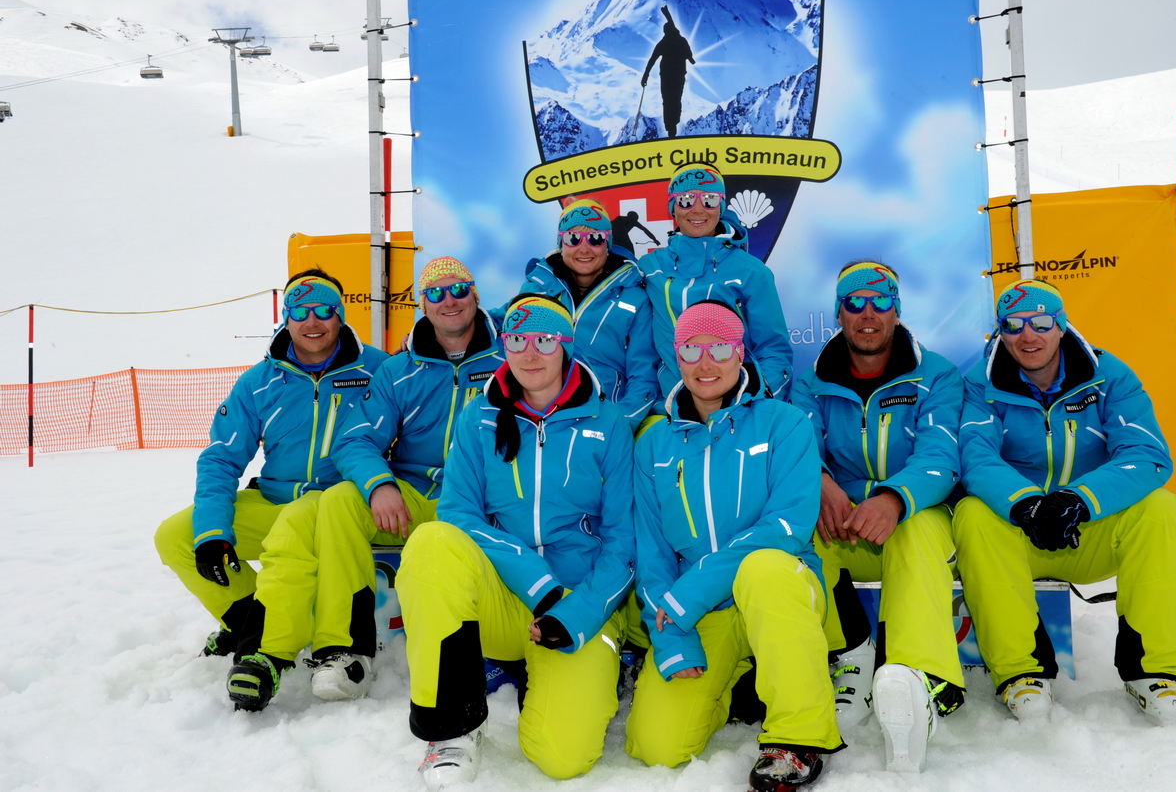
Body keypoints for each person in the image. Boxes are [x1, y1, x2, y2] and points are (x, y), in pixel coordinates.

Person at [221, 256, 503, 710]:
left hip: (484, 496)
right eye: (435, 292)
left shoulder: (512, 360)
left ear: (476, 295)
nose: (448, 300)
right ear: (422, 304)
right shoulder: (399, 369)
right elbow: (355, 439)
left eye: (458, 289)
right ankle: (344, 652)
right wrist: (379, 484)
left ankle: (505, 644)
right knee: (341, 501)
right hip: (416, 494)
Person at [396, 295, 636, 787]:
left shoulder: (608, 423)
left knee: (562, 758)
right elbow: (457, 513)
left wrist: (574, 611)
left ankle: (566, 673)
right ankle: (452, 730)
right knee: (432, 542)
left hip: (579, 608)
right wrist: (536, 582)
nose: (529, 353)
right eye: (517, 339)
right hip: (508, 600)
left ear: (565, 344)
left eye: (544, 340)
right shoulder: (478, 417)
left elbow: (623, 542)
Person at [954, 279, 1176, 726]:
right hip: (1020, 533)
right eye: (1013, 325)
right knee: (972, 514)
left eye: (1041, 322)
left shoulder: (1109, 375)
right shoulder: (978, 383)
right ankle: (1020, 672)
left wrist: (1079, 500)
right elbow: (975, 456)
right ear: (1000, 331)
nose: (1028, 336)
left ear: (1062, 324)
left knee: (1162, 510)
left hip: (1091, 531)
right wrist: (1026, 504)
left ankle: (1156, 671)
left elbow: (1147, 453)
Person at [626, 300, 842, 792]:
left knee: (763, 567)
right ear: (676, 357)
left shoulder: (784, 423)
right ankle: (743, 682)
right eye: (691, 349)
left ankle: (797, 737)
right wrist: (673, 638)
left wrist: (691, 592)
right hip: (704, 611)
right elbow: (651, 552)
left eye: (720, 348)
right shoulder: (654, 444)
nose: (706, 363)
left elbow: (786, 526)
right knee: (657, 747)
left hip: (778, 589)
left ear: (741, 354)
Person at [154, 270, 386, 664]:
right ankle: (245, 623)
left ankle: (267, 644)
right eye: (300, 311)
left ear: (340, 315)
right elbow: (221, 458)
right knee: (176, 536)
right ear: (286, 318)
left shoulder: (379, 370)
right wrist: (212, 531)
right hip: (275, 499)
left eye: (324, 310)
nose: (312, 322)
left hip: (342, 506)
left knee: (290, 536)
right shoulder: (259, 382)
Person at [789, 261, 965, 772]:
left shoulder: (937, 375)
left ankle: (919, 678)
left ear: (897, 311)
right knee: (796, 534)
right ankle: (851, 654)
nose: (868, 314)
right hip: (844, 520)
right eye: (855, 303)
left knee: (916, 531)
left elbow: (941, 457)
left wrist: (894, 498)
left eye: (881, 302)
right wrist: (821, 482)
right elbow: (798, 447)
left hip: (913, 512)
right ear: (838, 313)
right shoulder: (810, 382)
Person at [639, 164, 793, 399]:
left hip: (737, 405)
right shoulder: (649, 268)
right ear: (672, 207)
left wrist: (752, 402)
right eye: (686, 200)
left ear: (720, 206)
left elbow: (774, 351)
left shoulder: (751, 272)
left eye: (709, 199)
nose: (697, 209)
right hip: (671, 406)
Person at [513, 198, 660, 428]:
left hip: (604, 420)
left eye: (595, 238)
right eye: (573, 238)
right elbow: (506, 340)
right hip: (540, 419)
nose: (584, 249)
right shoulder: (536, 290)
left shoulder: (635, 298)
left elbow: (643, 375)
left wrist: (619, 425)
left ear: (607, 244)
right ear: (561, 244)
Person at [640, 7, 696, 138]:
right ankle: (674, 125)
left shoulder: (663, 43)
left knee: (667, 101)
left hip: (666, 77)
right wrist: (688, 58)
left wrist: (645, 76)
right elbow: (690, 57)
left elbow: (652, 60)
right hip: (679, 76)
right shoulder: (681, 40)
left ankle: (670, 127)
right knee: (676, 99)